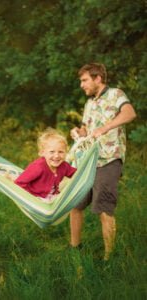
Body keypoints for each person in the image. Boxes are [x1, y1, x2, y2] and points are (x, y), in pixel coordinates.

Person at [70, 63, 136, 260]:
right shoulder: (89, 103)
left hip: (109, 160)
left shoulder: (116, 94)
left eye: (84, 80)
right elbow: (85, 129)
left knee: (104, 208)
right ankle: (75, 250)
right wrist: (77, 132)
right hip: (88, 161)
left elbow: (130, 114)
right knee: (75, 204)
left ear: (98, 78)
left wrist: (106, 128)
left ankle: (109, 258)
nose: (82, 85)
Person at [15, 128, 77, 202]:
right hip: (36, 197)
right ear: (42, 152)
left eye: (61, 152)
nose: (57, 156)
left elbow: (77, 174)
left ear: (66, 153)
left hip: (52, 197)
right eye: (52, 152)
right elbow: (19, 182)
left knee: (67, 200)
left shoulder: (64, 166)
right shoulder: (38, 167)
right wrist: (28, 198)